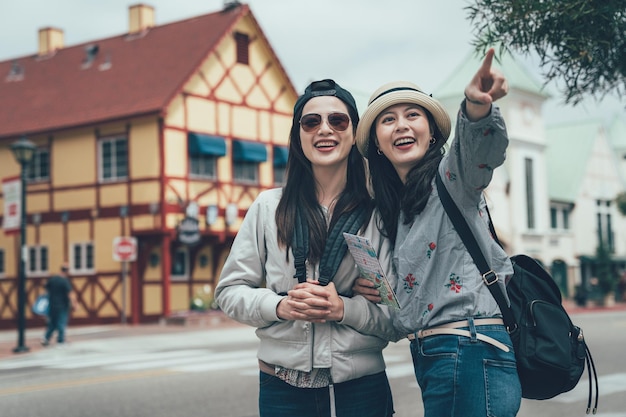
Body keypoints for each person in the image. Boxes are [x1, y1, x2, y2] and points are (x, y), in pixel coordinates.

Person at [215, 79, 400, 417]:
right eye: (311, 121)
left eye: (337, 120)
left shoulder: (380, 211)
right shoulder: (267, 207)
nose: (324, 129)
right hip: (280, 387)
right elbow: (228, 292)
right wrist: (280, 306)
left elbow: (398, 316)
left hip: (361, 388)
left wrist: (343, 308)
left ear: (355, 132)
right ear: (298, 136)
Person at [353, 49, 522, 417]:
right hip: (439, 354)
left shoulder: (452, 177)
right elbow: (407, 308)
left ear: (431, 133)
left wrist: (477, 108)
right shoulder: (393, 212)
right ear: (377, 145)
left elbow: (478, 150)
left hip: (470, 347)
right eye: (388, 120)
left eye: (413, 115)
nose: (401, 125)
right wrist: (377, 292)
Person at [42, 262, 76, 346]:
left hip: (52, 304)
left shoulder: (53, 279)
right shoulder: (65, 281)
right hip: (62, 305)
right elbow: (70, 294)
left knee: (52, 323)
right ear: (67, 271)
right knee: (61, 322)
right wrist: (74, 304)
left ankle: (46, 338)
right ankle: (60, 340)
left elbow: (45, 289)